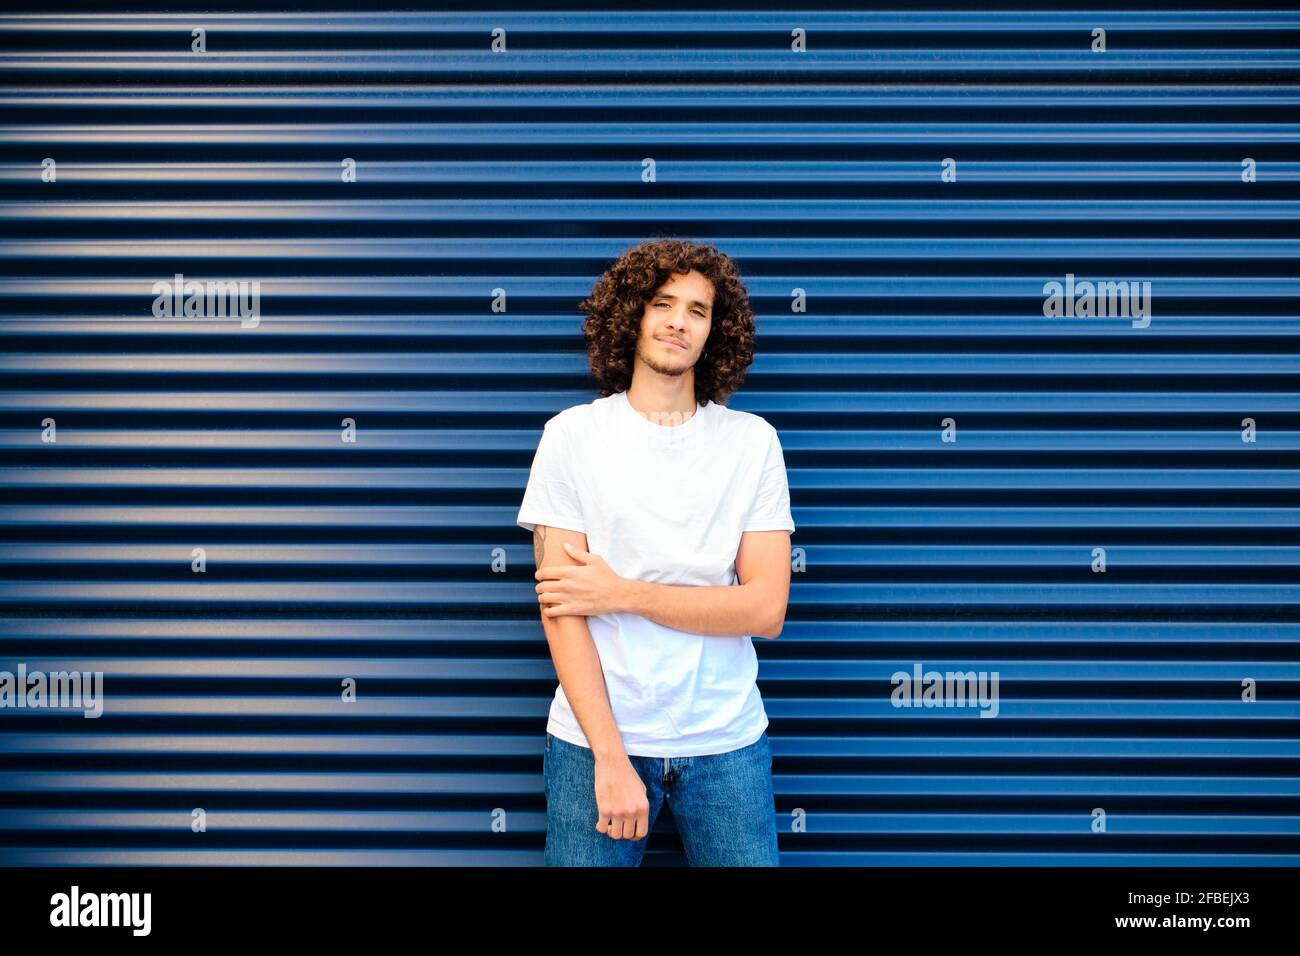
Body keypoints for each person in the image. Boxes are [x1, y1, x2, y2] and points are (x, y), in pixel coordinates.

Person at [516, 238, 795, 866]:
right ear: (632, 315)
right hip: (594, 744)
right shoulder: (571, 438)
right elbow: (563, 612)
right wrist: (611, 758)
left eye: (698, 309)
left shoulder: (752, 443)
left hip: (727, 742)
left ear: (714, 331)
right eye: (663, 303)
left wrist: (622, 593)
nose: (678, 321)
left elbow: (765, 609)